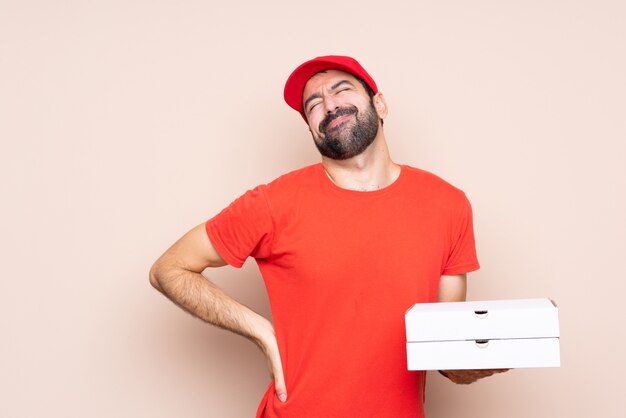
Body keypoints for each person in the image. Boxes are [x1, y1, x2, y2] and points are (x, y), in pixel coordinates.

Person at [149, 55, 506, 418]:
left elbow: (445, 349)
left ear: (379, 104)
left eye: (341, 89)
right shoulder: (273, 204)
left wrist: (473, 365)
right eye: (314, 104)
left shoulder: (448, 205)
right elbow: (170, 269)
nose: (330, 105)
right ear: (312, 128)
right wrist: (261, 331)